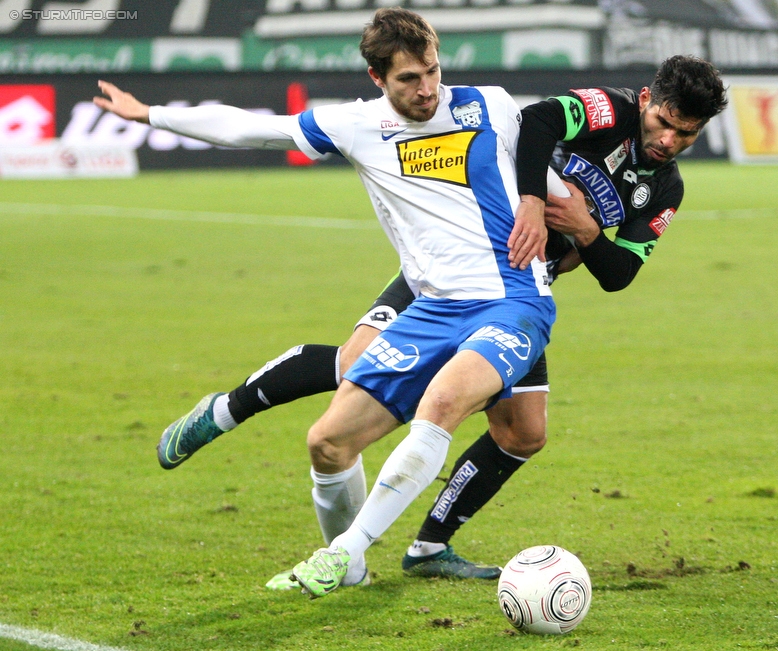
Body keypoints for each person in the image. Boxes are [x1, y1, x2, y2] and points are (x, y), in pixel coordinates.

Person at [145, 55, 728, 584]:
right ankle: (225, 410)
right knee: (353, 366)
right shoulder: (609, 110)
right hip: (446, 270)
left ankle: (428, 548)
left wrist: (584, 227)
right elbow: (539, 123)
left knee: (523, 432)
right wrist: (532, 199)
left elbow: (619, 272)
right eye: (666, 122)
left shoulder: (665, 189)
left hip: (518, 290)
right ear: (649, 99)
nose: (670, 140)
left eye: (688, 134)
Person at [95, 7, 557, 598]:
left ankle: (342, 552)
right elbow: (248, 128)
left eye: (432, 73)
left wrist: (557, 214)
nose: (426, 90)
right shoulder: (355, 126)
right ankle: (356, 572)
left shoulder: (490, 104)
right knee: (327, 442)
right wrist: (150, 113)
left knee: (441, 404)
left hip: (512, 301)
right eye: (407, 80)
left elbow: (551, 168)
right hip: (432, 308)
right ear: (376, 79)